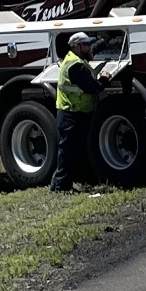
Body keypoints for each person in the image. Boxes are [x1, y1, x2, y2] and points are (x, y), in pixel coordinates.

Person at [49, 32, 101, 193]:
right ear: (77, 46)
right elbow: (92, 88)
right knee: (67, 153)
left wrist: (106, 40)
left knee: (70, 151)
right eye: (86, 45)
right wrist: (104, 78)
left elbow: (92, 52)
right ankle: (60, 187)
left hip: (74, 113)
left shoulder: (75, 59)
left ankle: (60, 184)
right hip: (71, 114)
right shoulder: (75, 65)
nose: (89, 47)